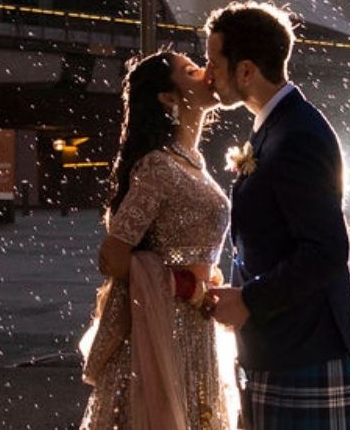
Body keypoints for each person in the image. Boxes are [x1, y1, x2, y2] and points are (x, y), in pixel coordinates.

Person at [201, 2, 350, 429]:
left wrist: (249, 300)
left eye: (214, 62)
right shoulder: (277, 127)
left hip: (302, 346)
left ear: (247, 71)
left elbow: (327, 249)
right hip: (284, 345)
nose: (208, 74)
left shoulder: (298, 135)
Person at [79, 50, 239, 429]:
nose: (205, 72)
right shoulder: (159, 166)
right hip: (158, 336)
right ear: (168, 98)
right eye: (190, 70)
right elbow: (113, 255)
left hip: (194, 330)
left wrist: (204, 284)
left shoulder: (191, 163)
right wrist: (182, 284)